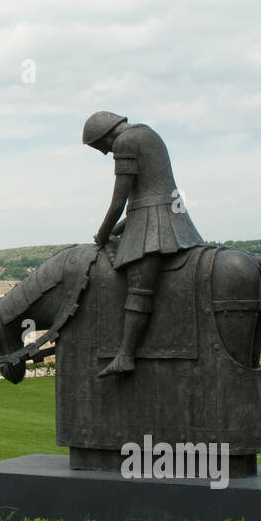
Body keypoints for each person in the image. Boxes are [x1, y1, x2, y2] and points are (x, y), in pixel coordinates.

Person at [84, 111, 205, 377]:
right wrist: (116, 230)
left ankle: (126, 354)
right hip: (167, 215)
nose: (106, 152)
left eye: (102, 147)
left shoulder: (125, 142)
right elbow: (147, 200)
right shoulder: (149, 134)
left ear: (105, 136)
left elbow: (120, 199)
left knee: (139, 288)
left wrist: (103, 233)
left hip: (157, 226)